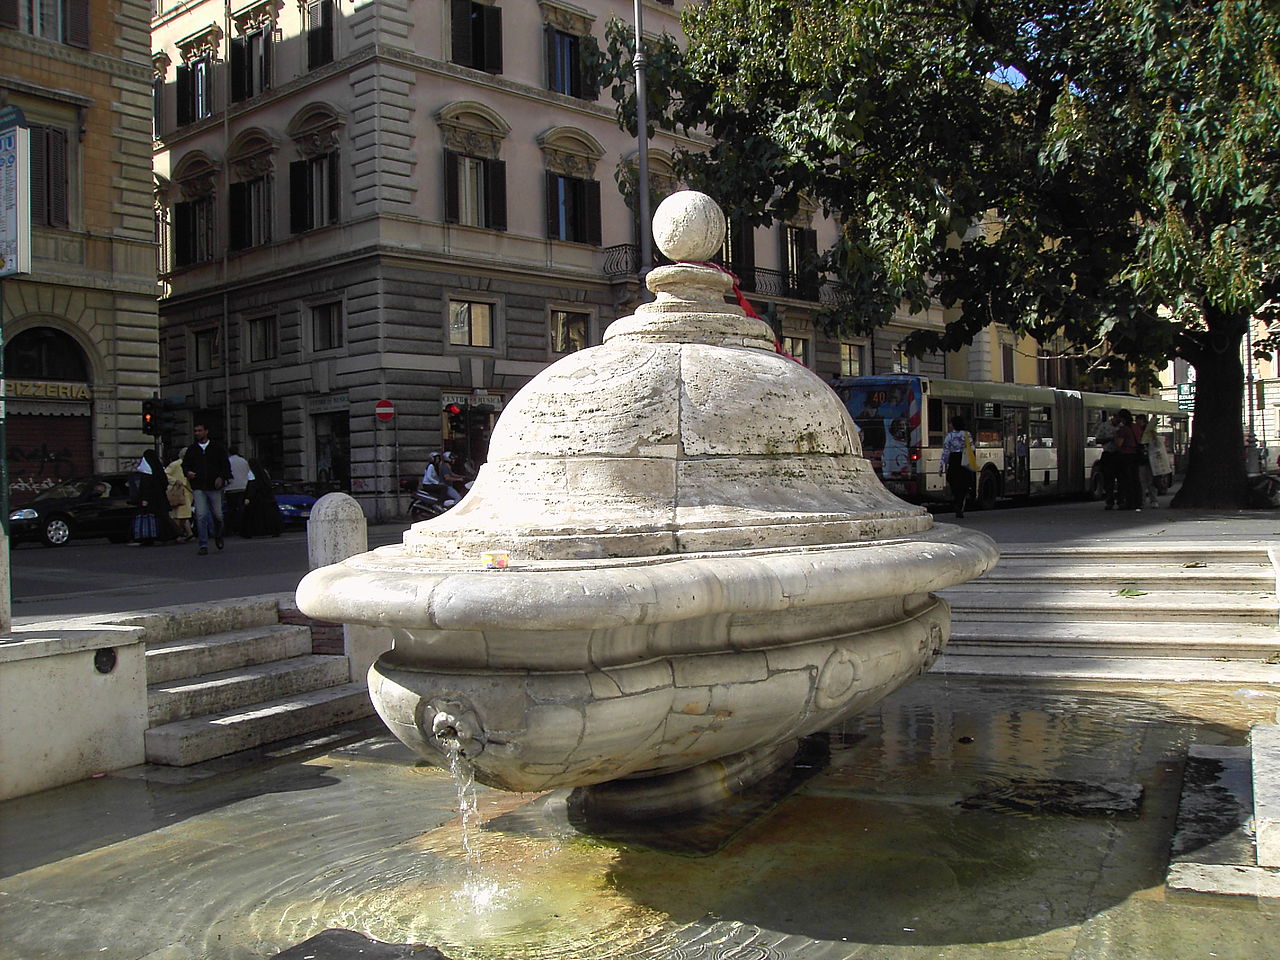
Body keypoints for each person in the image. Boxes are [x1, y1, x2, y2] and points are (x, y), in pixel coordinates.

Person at [181, 421, 232, 555]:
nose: (197, 433)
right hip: (199, 486)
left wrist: (221, 477)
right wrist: (188, 472)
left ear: (206, 431)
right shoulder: (192, 449)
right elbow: (185, 465)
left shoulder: (217, 447)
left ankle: (218, 534)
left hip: (214, 487)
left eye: (200, 430)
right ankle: (203, 544)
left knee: (218, 515)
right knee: (201, 515)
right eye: (196, 431)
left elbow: (225, 465)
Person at [132, 449, 177, 546]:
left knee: (149, 519)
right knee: (163, 518)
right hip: (160, 498)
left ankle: (149, 537)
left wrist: (144, 498)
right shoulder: (158, 469)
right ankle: (169, 535)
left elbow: (145, 486)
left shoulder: (147, 472)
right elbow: (164, 483)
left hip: (150, 499)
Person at [939, 415, 975, 518]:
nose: (950, 425)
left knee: (954, 483)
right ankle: (960, 504)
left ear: (954, 424)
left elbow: (945, 451)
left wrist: (942, 465)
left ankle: (956, 501)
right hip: (964, 460)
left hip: (953, 461)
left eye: (951, 423)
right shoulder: (967, 434)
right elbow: (972, 449)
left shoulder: (949, 436)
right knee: (964, 484)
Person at [239, 460, 284, 538]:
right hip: (266, 499)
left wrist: (248, 497)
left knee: (251, 516)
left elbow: (252, 486)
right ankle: (274, 530)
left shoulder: (251, 474)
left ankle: (250, 532)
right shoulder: (263, 473)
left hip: (256, 500)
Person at [1112, 409, 1142, 511]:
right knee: (1136, 479)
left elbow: (1119, 444)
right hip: (1136, 455)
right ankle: (1138, 502)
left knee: (1126, 480)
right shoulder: (1136, 427)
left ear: (1122, 418)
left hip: (1126, 455)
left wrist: (1115, 436)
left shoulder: (1123, 429)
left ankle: (1129, 502)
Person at [164, 456, 195, 542]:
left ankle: (181, 534)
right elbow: (165, 474)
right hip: (179, 492)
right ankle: (185, 534)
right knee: (181, 514)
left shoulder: (188, 464)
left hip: (187, 492)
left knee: (182, 514)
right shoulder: (175, 464)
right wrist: (175, 480)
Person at [1094, 412, 1120, 509]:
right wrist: (1110, 439)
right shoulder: (1104, 426)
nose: (1119, 421)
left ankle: (1120, 500)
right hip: (1108, 454)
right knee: (1108, 479)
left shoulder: (1122, 427)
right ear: (1114, 417)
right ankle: (1109, 501)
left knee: (1121, 479)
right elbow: (1098, 440)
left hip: (1120, 454)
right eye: (1118, 419)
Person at [224, 446, 251, 536]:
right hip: (243, 487)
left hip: (231, 488)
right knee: (241, 508)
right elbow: (248, 473)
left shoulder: (228, 461)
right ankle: (242, 527)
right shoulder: (244, 461)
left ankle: (231, 528)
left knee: (231, 510)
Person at [1135, 413, 1160, 507]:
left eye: (1139, 421)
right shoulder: (1139, 431)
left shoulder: (1150, 432)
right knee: (1144, 481)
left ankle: (1151, 500)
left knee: (1148, 481)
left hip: (1148, 458)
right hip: (1144, 459)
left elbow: (1156, 442)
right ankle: (1147, 500)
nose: (1137, 423)